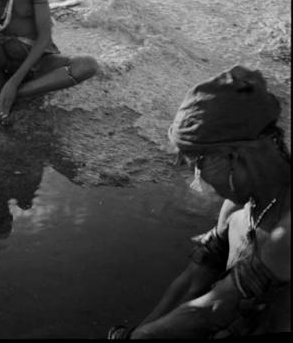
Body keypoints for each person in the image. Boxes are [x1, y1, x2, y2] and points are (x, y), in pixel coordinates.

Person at [108, 66, 290, 339]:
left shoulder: (287, 228)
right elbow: (193, 283)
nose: (197, 178)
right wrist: (138, 331)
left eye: (198, 164)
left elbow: (214, 310)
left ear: (234, 155)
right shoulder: (239, 209)